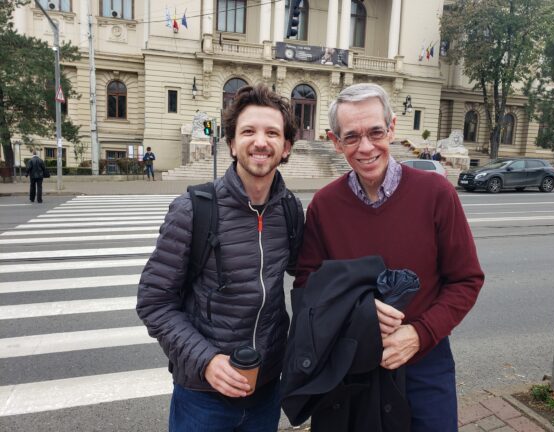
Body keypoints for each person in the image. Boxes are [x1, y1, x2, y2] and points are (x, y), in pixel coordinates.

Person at [294, 83, 484, 431]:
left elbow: (466, 280)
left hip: (424, 363)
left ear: (392, 128)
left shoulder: (436, 193)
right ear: (335, 142)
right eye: (352, 137)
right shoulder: (324, 206)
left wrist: (420, 334)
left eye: (375, 132)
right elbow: (308, 287)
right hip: (350, 365)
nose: (366, 147)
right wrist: (357, 313)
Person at [136, 84, 304, 432]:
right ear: (231, 144)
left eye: (272, 133)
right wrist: (207, 361)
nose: (261, 142)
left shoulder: (290, 210)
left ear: (286, 147)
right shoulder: (193, 209)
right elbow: (154, 303)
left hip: (265, 389)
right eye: (248, 131)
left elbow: (309, 275)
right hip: (203, 395)